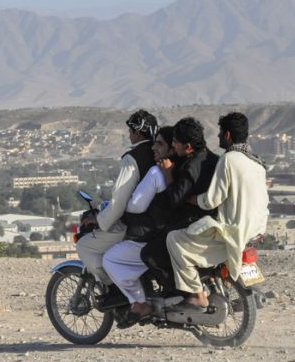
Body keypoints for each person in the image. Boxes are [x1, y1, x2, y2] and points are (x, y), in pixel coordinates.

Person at [166, 112, 269, 311]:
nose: (219, 137)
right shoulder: (256, 161)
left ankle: (196, 294)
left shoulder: (229, 159)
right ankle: (226, 285)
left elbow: (211, 200)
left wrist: (189, 198)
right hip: (256, 229)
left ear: (228, 135)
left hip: (233, 231)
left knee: (174, 240)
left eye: (221, 132)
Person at [77, 109, 158, 303]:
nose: (129, 135)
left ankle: (113, 289)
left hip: (137, 224)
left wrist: (98, 220)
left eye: (130, 131)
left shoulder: (132, 158)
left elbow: (119, 201)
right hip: (161, 219)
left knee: (85, 246)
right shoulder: (160, 151)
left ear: (137, 133)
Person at [102, 126, 175, 328]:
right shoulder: (185, 167)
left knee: (111, 258)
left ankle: (140, 303)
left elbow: (136, 205)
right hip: (177, 230)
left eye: (159, 143)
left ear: (171, 147)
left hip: (157, 234)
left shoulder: (155, 172)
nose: (154, 147)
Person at [139, 117, 219, 285]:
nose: (173, 145)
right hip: (209, 219)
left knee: (150, 254)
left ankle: (181, 294)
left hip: (193, 222)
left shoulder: (191, 166)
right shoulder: (212, 158)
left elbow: (175, 200)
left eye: (175, 142)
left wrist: (168, 174)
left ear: (188, 147)